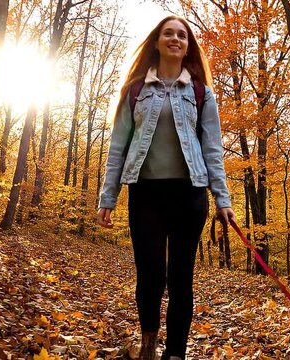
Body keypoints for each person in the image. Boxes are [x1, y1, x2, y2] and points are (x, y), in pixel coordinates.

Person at [96, 15, 235, 360]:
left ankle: (176, 353)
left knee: (180, 278)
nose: (175, 38)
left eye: (182, 35)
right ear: (156, 42)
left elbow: (212, 149)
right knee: (151, 273)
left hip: (190, 195)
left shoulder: (202, 93)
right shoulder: (136, 91)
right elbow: (118, 147)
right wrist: (108, 197)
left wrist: (223, 199)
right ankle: (148, 345)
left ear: (188, 47)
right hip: (146, 195)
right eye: (168, 33)